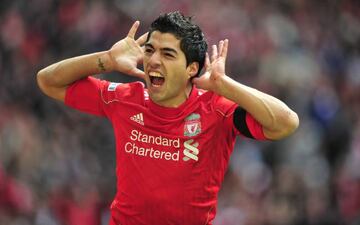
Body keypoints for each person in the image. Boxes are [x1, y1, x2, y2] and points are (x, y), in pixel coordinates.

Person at [37, 11, 299, 225]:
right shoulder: (126, 98)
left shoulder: (217, 109)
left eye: (168, 54)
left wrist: (225, 86)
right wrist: (106, 60)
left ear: (191, 69)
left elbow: (286, 123)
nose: (153, 60)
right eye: (150, 50)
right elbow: (48, 82)